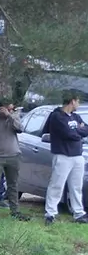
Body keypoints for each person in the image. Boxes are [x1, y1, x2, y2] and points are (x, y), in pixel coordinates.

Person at [41, 92, 88, 225]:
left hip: (77, 155)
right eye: (78, 101)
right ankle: (50, 213)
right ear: (72, 101)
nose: (78, 104)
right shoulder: (57, 116)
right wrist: (79, 131)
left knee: (76, 186)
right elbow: (68, 134)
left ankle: (78, 213)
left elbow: (86, 129)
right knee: (57, 185)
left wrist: (77, 131)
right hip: (63, 155)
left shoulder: (75, 116)